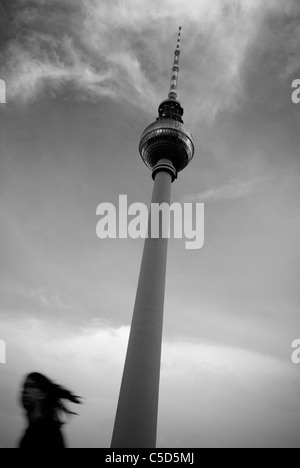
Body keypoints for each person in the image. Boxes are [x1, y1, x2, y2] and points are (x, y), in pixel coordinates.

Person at [19, 372, 81, 449]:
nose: (25, 390)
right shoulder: (33, 430)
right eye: (25, 387)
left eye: (32, 386)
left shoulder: (47, 431)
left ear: (43, 394)